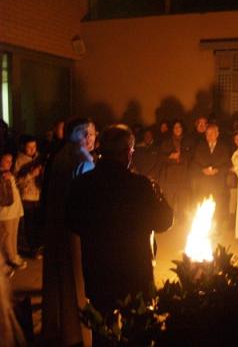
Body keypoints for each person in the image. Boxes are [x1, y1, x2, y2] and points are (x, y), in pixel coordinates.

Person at [67, 125, 173, 338]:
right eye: (131, 152)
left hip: (98, 270)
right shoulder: (140, 186)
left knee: (103, 330)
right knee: (137, 329)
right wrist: (159, 195)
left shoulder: (83, 185)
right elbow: (163, 221)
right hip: (134, 273)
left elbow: (72, 222)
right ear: (126, 152)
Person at [42, 117, 95, 346]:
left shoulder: (59, 156)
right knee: (76, 282)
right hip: (75, 230)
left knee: (58, 280)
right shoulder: (82, 159)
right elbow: (88, 202)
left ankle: (58, 330)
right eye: (90, 134)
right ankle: (77, 334)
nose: (93, 138)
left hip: (55, 226)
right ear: (81, 135)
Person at [191, 123, 230, 230]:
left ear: (217, 134)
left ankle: (216, 227)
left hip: (218, 183)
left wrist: (218, 170)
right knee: (203, 205)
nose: (210, 136)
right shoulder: (200, 147)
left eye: (212, 133)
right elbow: (194, 164)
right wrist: (202, 170)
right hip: (204, 183)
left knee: (218, 206)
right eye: (207, 133)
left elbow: (228, 165)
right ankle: (204, 227)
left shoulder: (223, 148)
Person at [14, 135, 44, 258]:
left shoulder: (39, 157)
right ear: (23, 147)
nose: (32, 150)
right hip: (26, 197)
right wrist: (31, 174)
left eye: (34, 146)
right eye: (29, 147)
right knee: (29, 224)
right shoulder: (19, 161)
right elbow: (16, 182)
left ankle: (37, 245)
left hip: (39, 194)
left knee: (37, 222)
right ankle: (32, 249)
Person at [159, 120, 193, 223]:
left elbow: (191, 156)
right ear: (172, 130)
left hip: (183, 175)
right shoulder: (166, 142)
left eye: (179, 127)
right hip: (170, 176)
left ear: (182, 129)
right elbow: (160, 158)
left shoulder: (187, 141)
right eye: (175, 127)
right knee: (169, 200)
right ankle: (168, 220)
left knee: (182, 199)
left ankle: (182, 219)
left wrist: (181, 157)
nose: (177, 129)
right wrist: (170, 156)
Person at [0, 153, 25, 271]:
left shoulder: (9, 174)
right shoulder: (3, 175)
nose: (9, 163)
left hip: (15, 211)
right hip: (5, 213)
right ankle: (9, 260)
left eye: (11, 161)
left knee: (13, 236)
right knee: (6, 238)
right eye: (6, 161)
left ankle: (14, 256)